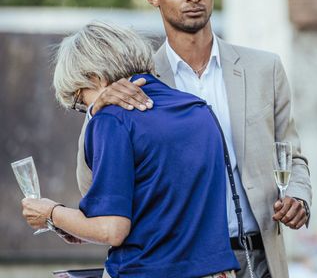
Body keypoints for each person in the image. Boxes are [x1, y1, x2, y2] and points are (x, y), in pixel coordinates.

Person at [75, 0, 311, 278]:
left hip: (260, 257)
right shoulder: (140, 85)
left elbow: (292, 155)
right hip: (181, 264)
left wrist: (299, 196)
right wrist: (96, 110)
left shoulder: (265, 69)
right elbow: (91, 182)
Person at [21, 22, 239, 278]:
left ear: (95, 78)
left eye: (81, 100)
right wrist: (78, 225)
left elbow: (111, 229)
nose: (88, 109)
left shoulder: (112, 119)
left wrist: (50, 213)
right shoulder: (199, 109)